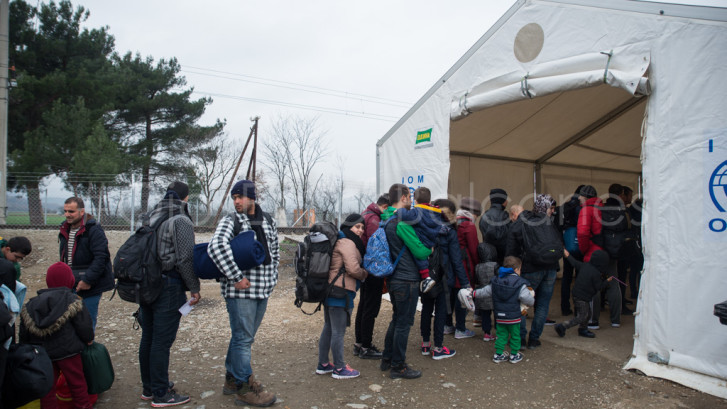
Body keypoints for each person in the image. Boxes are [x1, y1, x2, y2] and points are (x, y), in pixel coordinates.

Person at [209, 179, 278, 407]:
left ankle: (231, 380)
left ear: (252, 197)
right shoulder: (232, 220)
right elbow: (216, 247)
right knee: (243, 338)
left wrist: (273, 279)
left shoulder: (268, 220)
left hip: (262, 291)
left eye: (240, 197)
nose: (236, 201)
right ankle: (244, 388)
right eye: (234, 197)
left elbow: (275, 251)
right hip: (240, 294)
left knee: (243, 338)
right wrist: (236, 277)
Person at [138, 182, 201, 407]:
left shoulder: (150, 216)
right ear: (186, 199)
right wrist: (194, 287)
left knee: (148, 337)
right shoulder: (181, 220)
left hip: (145, 284)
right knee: (161, 342)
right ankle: (161, 394)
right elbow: (184, 259)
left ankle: (150, 387)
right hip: (168, 285)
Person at [19, 262, 94, 409]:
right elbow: (83, 325)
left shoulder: (31, 305)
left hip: (42, 353)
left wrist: (26, 349)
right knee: (77, 383)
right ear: (70, 280)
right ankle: (83, 406)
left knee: (47, 388)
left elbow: (24, 331)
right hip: (69, 352)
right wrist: (89, 339)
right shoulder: (73, 301)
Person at [380, 183, 429, 379]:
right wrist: (429, 250)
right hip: (406, 279)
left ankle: (387, 358)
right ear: (403, 198)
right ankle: (398, 367)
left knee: (396, 320)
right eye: (409, 197)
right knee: (403, 323)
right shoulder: (401, 223)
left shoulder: (386, 220)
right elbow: (419, 250)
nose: (411, 200)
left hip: (394, 278)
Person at [316, 214, 369, 379]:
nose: (360, 231)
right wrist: (364, 274)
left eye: (362, 227)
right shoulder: (347, 242)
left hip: (330, 290)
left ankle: (323, 364)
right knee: (338, 332)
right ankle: (339, 368)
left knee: (329, 328)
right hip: (340, 292)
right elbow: (353, 269)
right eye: (357, 227)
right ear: (348, 227)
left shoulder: (339, 239)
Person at [506, 194, 560, 349]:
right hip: (550, 269)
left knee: (522, 304)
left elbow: (512, 247)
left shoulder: (524, 221)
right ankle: (535, 339)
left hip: (530, 269)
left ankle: (521, 339)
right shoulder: (549, 223)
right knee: (542, 304)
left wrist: (511, 268)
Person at [419, 198, 466, 361]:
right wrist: (465, 283)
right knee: (440, 312)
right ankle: (438, 348)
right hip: (445, 277)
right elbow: (456, 260)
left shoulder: (424, 229)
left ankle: (425, 344)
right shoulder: (450, 232)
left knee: (426, 310)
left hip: (427, 275)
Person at [58, 197, 114, 330]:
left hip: (90, 286)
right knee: (69, 322)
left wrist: (87, 280)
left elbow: (102, 257)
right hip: (71, 283)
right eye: (65, 211)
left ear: (81, 211)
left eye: (71, 211)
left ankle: (87, 349)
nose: (67, 215)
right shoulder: (65, 228)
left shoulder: (93, 230)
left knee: (86, 323)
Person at [467, 256, 534, 364]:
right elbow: (527, 298)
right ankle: (514, 355)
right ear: (516, 270)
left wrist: (473, 293)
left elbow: (485, 291)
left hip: (500, 316)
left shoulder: (496, 281)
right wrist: (532, 301)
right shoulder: (519, 283)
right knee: (515, 335)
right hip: (514, 317)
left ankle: (498, 354)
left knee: (501, 335)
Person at [353, 193, 390, 360]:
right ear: (385, 206)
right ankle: (366, 346)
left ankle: (359, 343)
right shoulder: (374, 220)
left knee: (363, 305)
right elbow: (378, 246)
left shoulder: (365, 214)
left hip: (364, 268)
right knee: (371, 307)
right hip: (373, 269)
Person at [554, 249, 612, 339]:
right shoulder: (596, 273)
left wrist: (568, 255)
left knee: (587, 313)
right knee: (582, 316)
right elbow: (599, 287)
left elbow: (574, 263)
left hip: (577, 294)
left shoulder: (585, 265)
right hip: (582, 297)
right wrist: (607, 281)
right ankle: (562, 326)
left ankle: (583, 329)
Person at [396, 187, 442, 293]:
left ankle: (426, 277)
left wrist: (398, 210)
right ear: (430, 201)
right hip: (431, 241)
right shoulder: (436, 213)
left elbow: (405, 215)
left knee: (418, 256)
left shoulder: (418, 211)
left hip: (422, 241)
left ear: (415, 201)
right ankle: (426, 278)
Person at [447, 197, 480, 339]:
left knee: (451, 297)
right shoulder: (469, 226)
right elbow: (474, 250)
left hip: (450, 266)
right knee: (462, 297)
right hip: (464, 267)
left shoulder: (454, 222)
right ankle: (460, 328)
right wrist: (477, 265)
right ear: (473, 213)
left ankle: (447, 325)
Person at [558, 186, 584, 316]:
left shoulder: (565, 205)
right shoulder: (581, 208)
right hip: (579, 246)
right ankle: (579, 308)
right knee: (580, 278)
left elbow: (559, 224)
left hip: (567, 245)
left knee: (566, 278)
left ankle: (565, 307)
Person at [474, 242, 498, 342]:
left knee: (485, 315)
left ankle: (487, 333)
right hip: (495, 294)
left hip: (482, 294)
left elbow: (476, 280)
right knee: (497, 314)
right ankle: (499, 333)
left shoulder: (478, 266)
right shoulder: (495, 265)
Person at [479, 188, 510, 265]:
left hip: (488, 257)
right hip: (503, 259)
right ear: (502, 201)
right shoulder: (504, 216)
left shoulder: (484, 216)